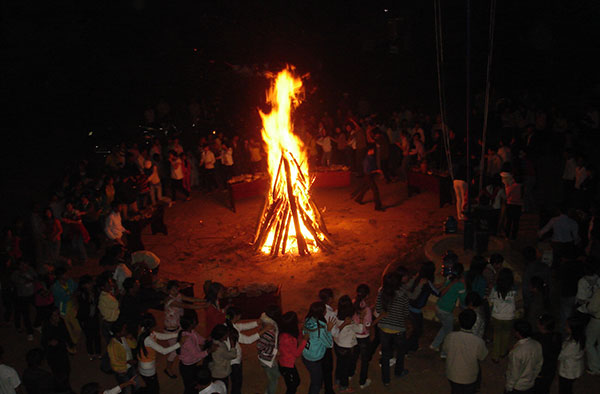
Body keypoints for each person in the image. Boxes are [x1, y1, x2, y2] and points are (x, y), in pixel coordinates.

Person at [163, 280, 205, 378]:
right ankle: (168, 368)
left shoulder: (178, 296)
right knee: (173, 352)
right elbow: (187, 305)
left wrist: (203, 301)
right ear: (168, 291)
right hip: (170, 330)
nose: (175, 291)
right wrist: (204, 305)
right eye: (173, 289)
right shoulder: (171, 301)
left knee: (188, 341)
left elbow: (191, 299)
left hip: (178, 326)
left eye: (176, 288)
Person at [375, 271, 410, 386]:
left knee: (385, 355)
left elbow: (379, 310)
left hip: (384, 329)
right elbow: (406, 313)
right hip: (398, 329)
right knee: (400, 352)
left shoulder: (381, 293)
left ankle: (386, 380)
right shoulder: (403, 295)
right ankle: (398, 372)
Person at [442, 309, 488, 394]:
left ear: (459, 321)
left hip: (452, 374)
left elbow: (445, 349)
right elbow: (482, 356)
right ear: (474, 323)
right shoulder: (478, 341)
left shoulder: (450, 336)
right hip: (469, 377)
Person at [136, 313, 181, 394]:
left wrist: (177, 334)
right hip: (147, 367)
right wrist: (179, 344)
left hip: (145, 364)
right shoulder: (148, 339)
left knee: (150, 384)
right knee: (154, 388)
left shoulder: (144, 330)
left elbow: (160, 336)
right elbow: (164, 351)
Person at [224, 306, 264, 394]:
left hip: (231, 358)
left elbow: (242, 326)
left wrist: (257, 323)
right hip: (234, 361)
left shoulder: (227, 324)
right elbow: (248, 340)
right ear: (237, 317)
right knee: (236, 382)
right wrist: (263, 331)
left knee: (234, 380)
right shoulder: (232, 331)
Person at [431, 263, 466, 356]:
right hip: (446, 311)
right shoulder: (460, 285)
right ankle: (444, 353)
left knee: (445, 327)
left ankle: (435, 344)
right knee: (449, 333)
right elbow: (463, 299)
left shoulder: (449, 278)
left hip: (438, 307)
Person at [302, 301, 336, 394]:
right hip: (314, 359)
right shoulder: (320, 329)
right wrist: (328, 330)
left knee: (316, 378)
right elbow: (329, 344)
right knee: (315, 384)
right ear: (322, 313)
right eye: (325, 310)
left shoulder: (307, 319)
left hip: (305, 354)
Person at [406, 262, 439, 352]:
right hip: (416, 309)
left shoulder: (417, 278)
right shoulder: (426, 282)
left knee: (416, 328)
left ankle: (413, 347)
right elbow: (437, 293)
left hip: (409, 306)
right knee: (418, 331)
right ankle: (406, 348)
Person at [333, 295, 364, 392]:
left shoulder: (335, 313)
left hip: (337, 344)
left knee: (339, 363)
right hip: (346, 347)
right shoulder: (349, 322)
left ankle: (337, 379)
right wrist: (362, 319)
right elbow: (360, 329)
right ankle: (343, 385)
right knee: (345, 367)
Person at [505, 320, 543, 394]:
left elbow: (514, 373)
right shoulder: (537, 344)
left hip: (518, 386)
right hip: (530, 383)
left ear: (518, 333)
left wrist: (509, 387)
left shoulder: (517, 352)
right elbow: (539, 364)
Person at [490, 268, 518, 362]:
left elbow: (491, 300)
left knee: (497, 335)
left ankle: (495, 356)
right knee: (506, 334)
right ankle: (502, 352)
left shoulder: (495, 288)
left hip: (497, 316)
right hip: (509, 316)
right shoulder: (514, 288)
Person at [42, 307, 73, 392]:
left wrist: (70, 344)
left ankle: (66, 386)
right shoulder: (47, 326)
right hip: (53, 354)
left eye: (58, 314)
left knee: (66, 369)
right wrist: (49, 342)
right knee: (58, 373)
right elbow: (43, 342)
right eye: (55, 315)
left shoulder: (61, 322)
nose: (57, 317)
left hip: (62, 350)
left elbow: (66, 333)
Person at [278, 311, 308, 394]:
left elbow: (296, 335)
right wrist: (305, 340)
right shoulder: (289, 339)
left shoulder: (283, 332)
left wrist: (302, 332)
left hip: (285, 362)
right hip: (287, 365)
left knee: (295, 381)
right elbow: (297, 353)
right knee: (292, 386)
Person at [50, 267, 80, 349]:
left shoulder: (69, 281)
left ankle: (74, 340)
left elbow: (76, 287)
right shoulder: (55, 287)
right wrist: (73, 294)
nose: (68, 275)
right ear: (60, 276)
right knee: (68, 328)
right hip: (63, 309)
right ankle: (72, 343)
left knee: (77, 327)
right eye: (65, 274)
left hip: (72, 307)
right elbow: (65, 298)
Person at [177, 316, 209, 394]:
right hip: (187, 367)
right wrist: (208, 351)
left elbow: (200, 339)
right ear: (190, 325)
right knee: (190, 387)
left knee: (193, 384)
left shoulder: (192, 332)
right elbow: (196, 354)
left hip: (191, 364)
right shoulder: (186, 339)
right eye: (194, 322)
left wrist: (207, 341)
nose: (196, 323)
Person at [107, 320, 140, 394]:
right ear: (118, 333)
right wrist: (127, 362)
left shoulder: (124, 338)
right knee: (127, 389)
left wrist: (131, 338)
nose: (126, 331)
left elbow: (134, 346)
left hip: (130, 366)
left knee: (136, 383)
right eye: (124, 329)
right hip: (122, 371)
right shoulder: (112, 346)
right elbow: (114, 362)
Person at [351, 284, 373, 389]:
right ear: (367, 295)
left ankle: (350, 373)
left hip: (354, 336)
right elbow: (368, 326)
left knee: (354, 355)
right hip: (364, 337)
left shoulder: (353, 303)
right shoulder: (367, 310)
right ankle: (362, 381)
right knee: (364, 360)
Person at [532, 314, 561, 394]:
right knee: (545, 387)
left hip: (540, 369)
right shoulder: (557, 336)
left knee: (537, 387)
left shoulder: (537, 339)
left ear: (542, 326)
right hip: (551, 368)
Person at [257, 306, 281, 394]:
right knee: (273, 381)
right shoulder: (269, 332)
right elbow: (260, 346)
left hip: (268, 359)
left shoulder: (266, 323)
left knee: (274, 377)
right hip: (267, 360)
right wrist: (274, 351)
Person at [351, 145, 384, 211]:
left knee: (366, 188)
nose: (374, 151)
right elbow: (367, 171)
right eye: (372, 150)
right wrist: (376, 171)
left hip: (369, 176)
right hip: (368, 176)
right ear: (369, 151)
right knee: (375, 190)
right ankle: (378, 207)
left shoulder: (371, 158)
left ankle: (358, 199)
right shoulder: (367, 160)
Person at [558, 317, 586, 394]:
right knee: (568, 387)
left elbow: (562, 355)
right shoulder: (579, 338)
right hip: (574, 368)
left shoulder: (572, 344)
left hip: (568, 371)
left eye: (567, 326)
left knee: (564, 388)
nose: (565, 327)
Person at [77, 275, 102, 360]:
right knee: (89, 336)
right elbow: (83, 307)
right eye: (88, 283)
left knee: (97, 335)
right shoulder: (82, 294)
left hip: (94, 315)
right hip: (86, 318)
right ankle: (90, 352)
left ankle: (98, 352)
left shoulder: (96, 291)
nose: (91, 285)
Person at [11, 260, 36, 341]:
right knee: (25, 314)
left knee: (41, 308)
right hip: (22, 297)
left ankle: (37, 324)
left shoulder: (30, 270)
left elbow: (35, 277)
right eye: (22, 265)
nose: (25, 267)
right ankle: (29, 332)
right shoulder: (16, 274)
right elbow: (19, 282)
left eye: (26, 264)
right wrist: (28, 279)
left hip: (32, 294)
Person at [98, 274, 120, 343]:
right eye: (108, 284)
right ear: (103, 287)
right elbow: (116, 305)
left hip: (109, 322)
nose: (111, 285)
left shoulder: (107, 295)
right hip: (109, 324)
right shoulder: (105, 297)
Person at [501, 172, 523, 240]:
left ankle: (507, 235)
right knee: (516, 222)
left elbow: (507, 195)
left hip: (510, 204)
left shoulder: (511, 187)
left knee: (509, 221)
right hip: (518, 205)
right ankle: (513, 236)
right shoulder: (522, 187)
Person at [585, 285, 600, 375]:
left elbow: (592, 308)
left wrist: (587, 305)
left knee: (589, 343)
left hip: (597, 320)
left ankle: (594, 368)